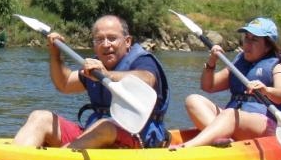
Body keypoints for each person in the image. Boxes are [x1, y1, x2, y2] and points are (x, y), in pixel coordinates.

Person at [13, 14, 170, 150]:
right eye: (100, 39)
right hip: (95, 135)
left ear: (127, 41)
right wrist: (55, 55)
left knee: (105, 126)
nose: (106, 44)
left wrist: (107, 75)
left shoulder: (143, 61)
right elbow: (64, 83)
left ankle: (60, 159)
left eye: (112, 38)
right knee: (40, 117)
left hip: (138, 138)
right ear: (94, 44)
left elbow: (147, 79)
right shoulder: (95, 66)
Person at [173, 17, 281, 149]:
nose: (247, 43)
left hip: (264, 125)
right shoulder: (239, 64)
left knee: (230, 114)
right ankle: (219, 138)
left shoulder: (279, 66)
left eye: (254, 39)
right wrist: (212, 62)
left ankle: (187, 147)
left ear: (268, 46)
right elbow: (208, 86)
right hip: (233, 119)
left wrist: (266, 90)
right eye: (246, 38)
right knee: (193, 100)